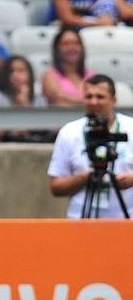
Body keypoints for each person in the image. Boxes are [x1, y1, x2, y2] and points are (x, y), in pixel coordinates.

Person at [48, 74, 133, 219]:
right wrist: (83, 178)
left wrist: (131, 179)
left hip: (125, 223)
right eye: (89, 97)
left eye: (100, 97)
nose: (94, 102)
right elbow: (55, 187)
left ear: (113, 100)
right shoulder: (69, 132)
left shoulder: (130, 128)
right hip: (81, 223)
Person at [0, 55, 52, 143]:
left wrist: (25, 104)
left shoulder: (39, 97)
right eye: (11, 71)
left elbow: (43, 129)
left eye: (21, 70)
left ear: (29, 74)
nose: (15, 75)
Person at [41, 26, 93, 108]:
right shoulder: (49, 75)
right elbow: (57, 99)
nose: (71, 48)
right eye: (65, 44)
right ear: (57, 48)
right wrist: (87, 101)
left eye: (76, 43)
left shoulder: (92, 75)